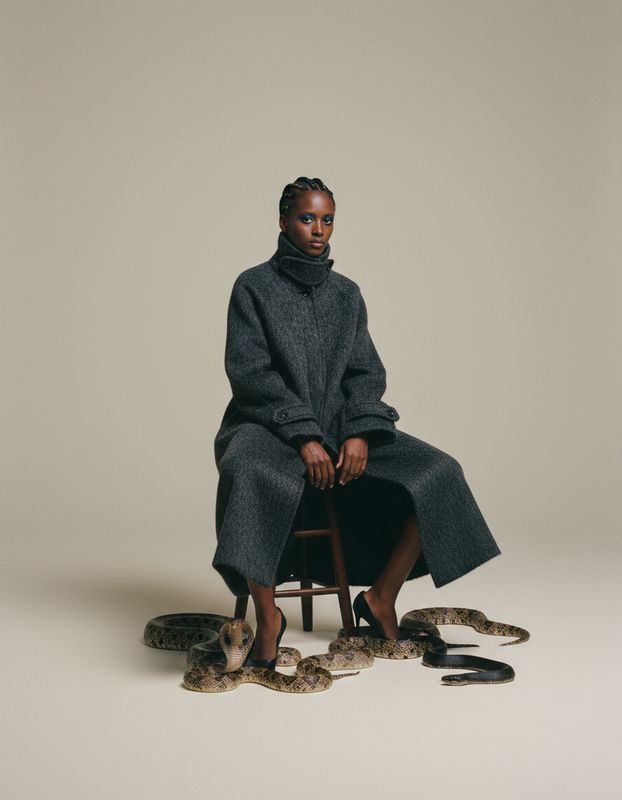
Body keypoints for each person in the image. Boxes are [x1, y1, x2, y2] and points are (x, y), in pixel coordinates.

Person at [212, 176, 501, 667]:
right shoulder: (252, 286)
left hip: (340, 424)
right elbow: (251, 374)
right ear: (283, 222)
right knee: (250, 471)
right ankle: (268, 618)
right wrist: (303, 436)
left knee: (437, 472)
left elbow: (365, 372)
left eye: (327, 220)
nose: (318, 229)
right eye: (307, 218)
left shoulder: (347, 294)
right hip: (264, 424)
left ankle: (381, 597)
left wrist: (359, 431)